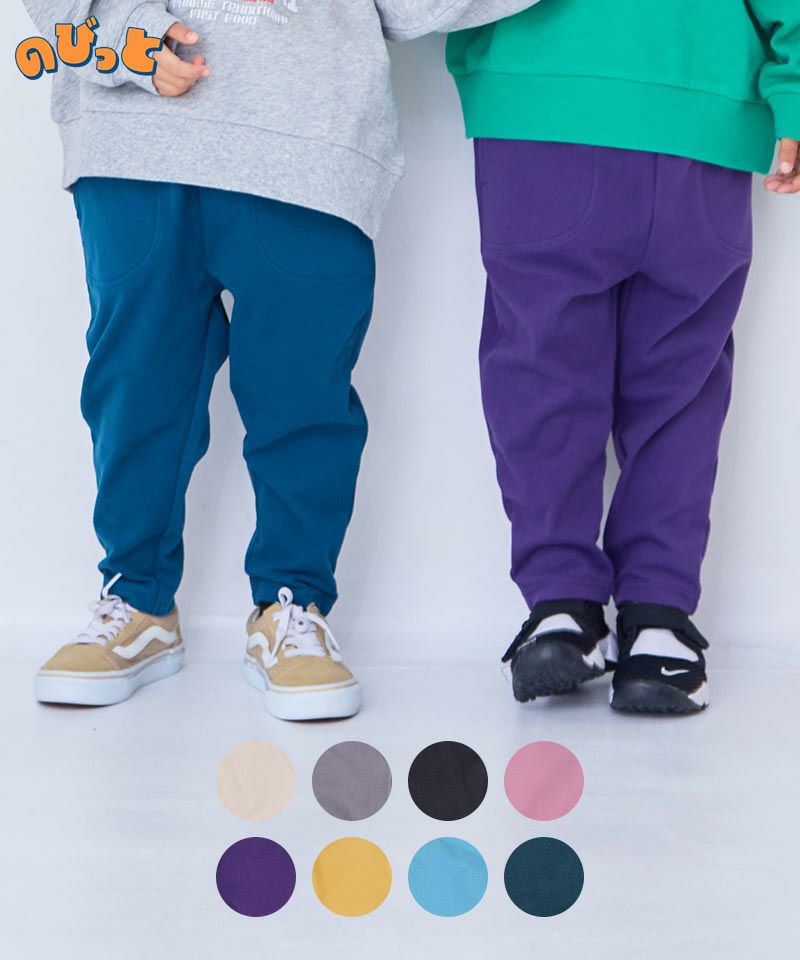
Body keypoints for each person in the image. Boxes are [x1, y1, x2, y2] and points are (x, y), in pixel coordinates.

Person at [24, 0, 537, 718]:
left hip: (310, 139)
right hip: (135, 135)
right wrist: (125, 36)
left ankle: (292, 605)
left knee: (303, 396)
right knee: (136, 388)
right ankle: (135, 600)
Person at [446, 0, 800, 714]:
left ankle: (564, 604)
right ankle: (654, 617)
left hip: (542, 93)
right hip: (690, 98)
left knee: (542, 371)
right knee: (677, 386)